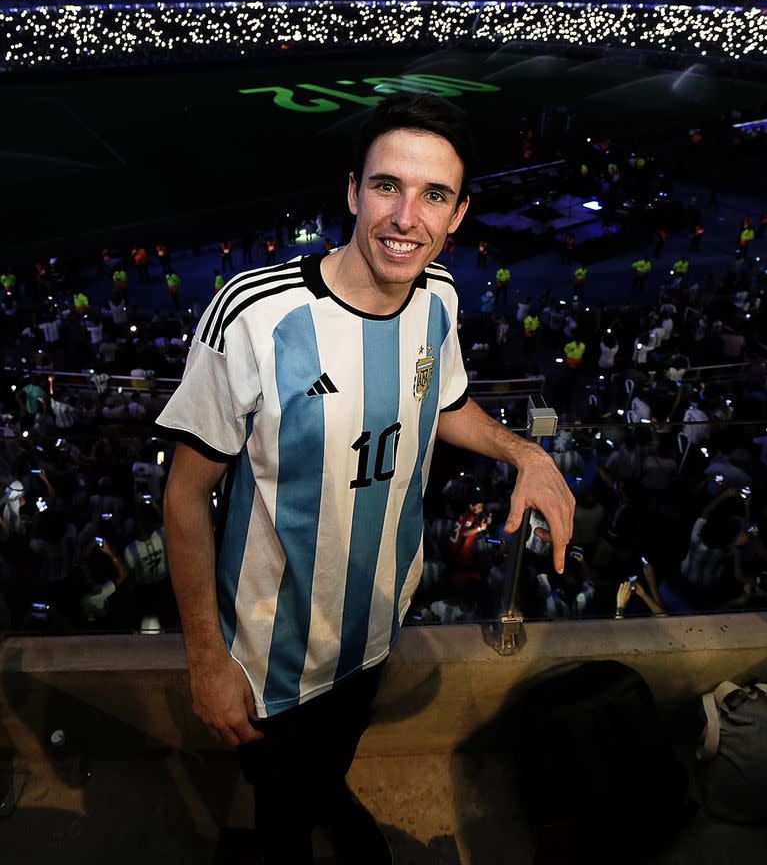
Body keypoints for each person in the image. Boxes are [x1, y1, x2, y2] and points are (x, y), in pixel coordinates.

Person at [157, 93, 573, 865]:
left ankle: (329, 805)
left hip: (379, 623)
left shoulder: (440, 296)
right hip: (269, 650)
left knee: (325, 764)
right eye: (388, 186)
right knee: (280, 812)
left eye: (434, 195)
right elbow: (184, 494)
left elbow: (444, 403)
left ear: (458, 214)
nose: (405, 216)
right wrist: (208, 662)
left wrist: (528, 455)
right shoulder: (253, 314)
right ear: (353, 192)